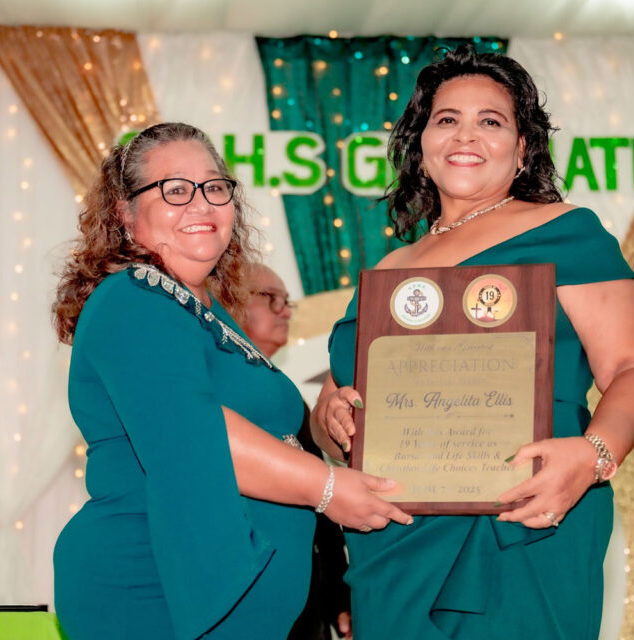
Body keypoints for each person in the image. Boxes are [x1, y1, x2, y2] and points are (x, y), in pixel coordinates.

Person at [311, 46, 634, 638]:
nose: (465, 135)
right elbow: (343, 412)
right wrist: (330, 414)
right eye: (446, 119)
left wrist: (592, 455)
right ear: (421, 145)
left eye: (491, 120)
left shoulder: (566, 233)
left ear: (523, 148)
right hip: (393, 539)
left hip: (522, 528)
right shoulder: (391, 267)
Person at [51, 122, 411, 640]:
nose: (201, 203)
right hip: (154, 591)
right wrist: (329, 489)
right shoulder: (131, 297)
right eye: (174, 189)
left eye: (214, 187)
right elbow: (192, 432)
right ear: (124, 213)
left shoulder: (207, 311)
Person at [239, 263, 353, 640]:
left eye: (287, 302)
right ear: (226, 298)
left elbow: (322, 501)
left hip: (308, 603)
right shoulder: (211, 391)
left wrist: (339, 593)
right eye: (271, 298)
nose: (285, 311)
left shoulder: (286, 397)